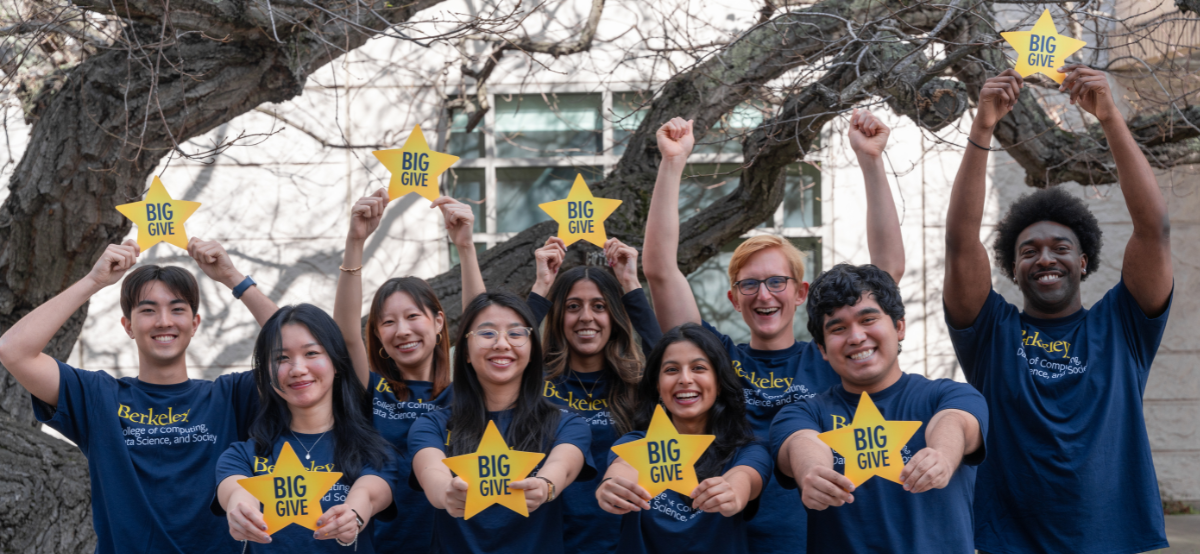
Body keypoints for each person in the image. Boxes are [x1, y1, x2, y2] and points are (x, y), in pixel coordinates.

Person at [641, 110, 905, 552]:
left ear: (800, 292)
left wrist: (871, 162)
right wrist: (672, 164)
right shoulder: (716, 361)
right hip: (728, 537)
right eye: (749, 284)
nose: (764, 296)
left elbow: (886, 273)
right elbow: (661, 271)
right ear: (733, 298)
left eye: (776, 282)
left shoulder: (829, 355)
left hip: (821, 537)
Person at [943, 67, 1173, 554]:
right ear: (1012, 266)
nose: (1045, 258)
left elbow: (1153, 229)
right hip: (1009, 543)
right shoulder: (991, 333)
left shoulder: (1123, 327)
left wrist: (1109, 116)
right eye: (1029, 251)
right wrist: (982, 128)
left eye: (1060, 247)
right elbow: (961, 243)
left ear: (1083, 260)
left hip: (1112, 541)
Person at [0, 237, 277, 554]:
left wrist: (234, 279)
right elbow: (14, 350)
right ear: (128, 326)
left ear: (194, 323)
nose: (164, 321)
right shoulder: (98, 397)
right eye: (148, 310)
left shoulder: (231, 397)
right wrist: (94, 281)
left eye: (177, 309)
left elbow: (298, 350)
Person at [771, 264, 986, 552]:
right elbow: (800, 442)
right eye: (838, 328)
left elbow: (955, 422)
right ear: (822, 349)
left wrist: (943, 457)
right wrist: (812, 471)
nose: (856, 337)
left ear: (899, 326)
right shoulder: (802, 413)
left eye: (868, 319)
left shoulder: (950, 395)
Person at [332, 189, 484, 552]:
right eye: (388, 322)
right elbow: (344, 332)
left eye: (413, 316)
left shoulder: (467, 388)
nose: (402, 330)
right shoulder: (373, 389)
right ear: (379, 337)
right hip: (386, 542)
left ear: (438, 323)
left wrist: (465, 247)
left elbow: (483, 325)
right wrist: (355, 240)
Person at [408, 292, 595, 554]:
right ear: (466, 352)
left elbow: (562, 468)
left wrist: (544, 487)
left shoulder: (567, 424)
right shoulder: (431, 425)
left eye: (516, 334)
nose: (502, 344)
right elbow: (432, 476)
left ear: (532, 351)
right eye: (487, 334)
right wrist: (447, 494)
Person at [215, 304, 397, 551]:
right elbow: (236, 492)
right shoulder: (242, 456)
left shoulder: (374, 452)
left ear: (336, 361)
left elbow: (369, 494)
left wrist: (351, 516)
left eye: (311, 353)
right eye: (281, 358)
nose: (298, 369)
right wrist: (240, 512)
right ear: (267, 371)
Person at [523, 235, 662, 554]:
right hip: (548, 541)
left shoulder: (638, 385)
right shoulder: (533, 384)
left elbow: (667, 360)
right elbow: (506, 351)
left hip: (625, 541)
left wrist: (630, 283)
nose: (586, 317)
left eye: (599, 306)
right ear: (558, 315)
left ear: (614, 315)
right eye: (573, 307)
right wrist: (541, 287)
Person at [596, 323, 769, 554]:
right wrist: (611, 486)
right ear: (658, 385)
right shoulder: (634, 443)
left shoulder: (749, 450)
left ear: (719, 383)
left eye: (698, 368)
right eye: (671, 370)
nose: (685, 379)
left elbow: (744, 478)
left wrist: (733, 492)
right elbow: (623, 467)